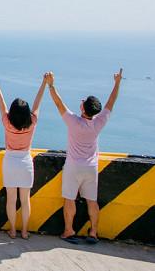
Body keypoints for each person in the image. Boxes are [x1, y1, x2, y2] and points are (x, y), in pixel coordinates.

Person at [46, 68, 123, 245]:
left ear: (83, 108)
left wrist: (51, 85)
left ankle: (69, 230)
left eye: (83, 102)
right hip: (91, 167)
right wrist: (117, 83)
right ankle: (94, 232)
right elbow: (111, 102)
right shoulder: (99, 122)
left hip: (73, 166)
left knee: (69, 199)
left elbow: (59, 104)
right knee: (92, 201)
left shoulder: (73, 121)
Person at [0, 69, 47, 239]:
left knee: (11, 199)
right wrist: (44, 83)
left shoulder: (7, 123)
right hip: (26, 162)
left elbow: (1, 102)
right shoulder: (32, 122)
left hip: (10, 161)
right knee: (25, 199)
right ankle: (24, 231)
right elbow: (38, 103)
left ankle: (13, 230)